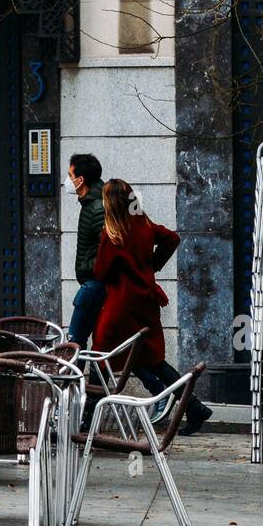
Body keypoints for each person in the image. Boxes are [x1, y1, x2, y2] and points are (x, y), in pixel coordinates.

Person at [92, 178, 213, 436]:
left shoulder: (112, 233)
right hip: (145, 300)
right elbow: (172, 238)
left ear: (110, 204)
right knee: (150, 358)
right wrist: (152, 266)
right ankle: (193, 407)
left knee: (103, 354)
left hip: (120, 304)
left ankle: (89, 416)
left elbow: (100, 271)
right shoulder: (144, 224)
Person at [66, 153, 106, 348]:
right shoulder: (91, 203)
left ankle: (75, 379)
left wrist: (90, 267)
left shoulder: (97, 207)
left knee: (75, 339)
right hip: (93, 284)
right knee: (91, 341)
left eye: (70, 175)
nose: (68, 181)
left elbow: (108, 249)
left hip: (94, 285)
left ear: (80, 180)